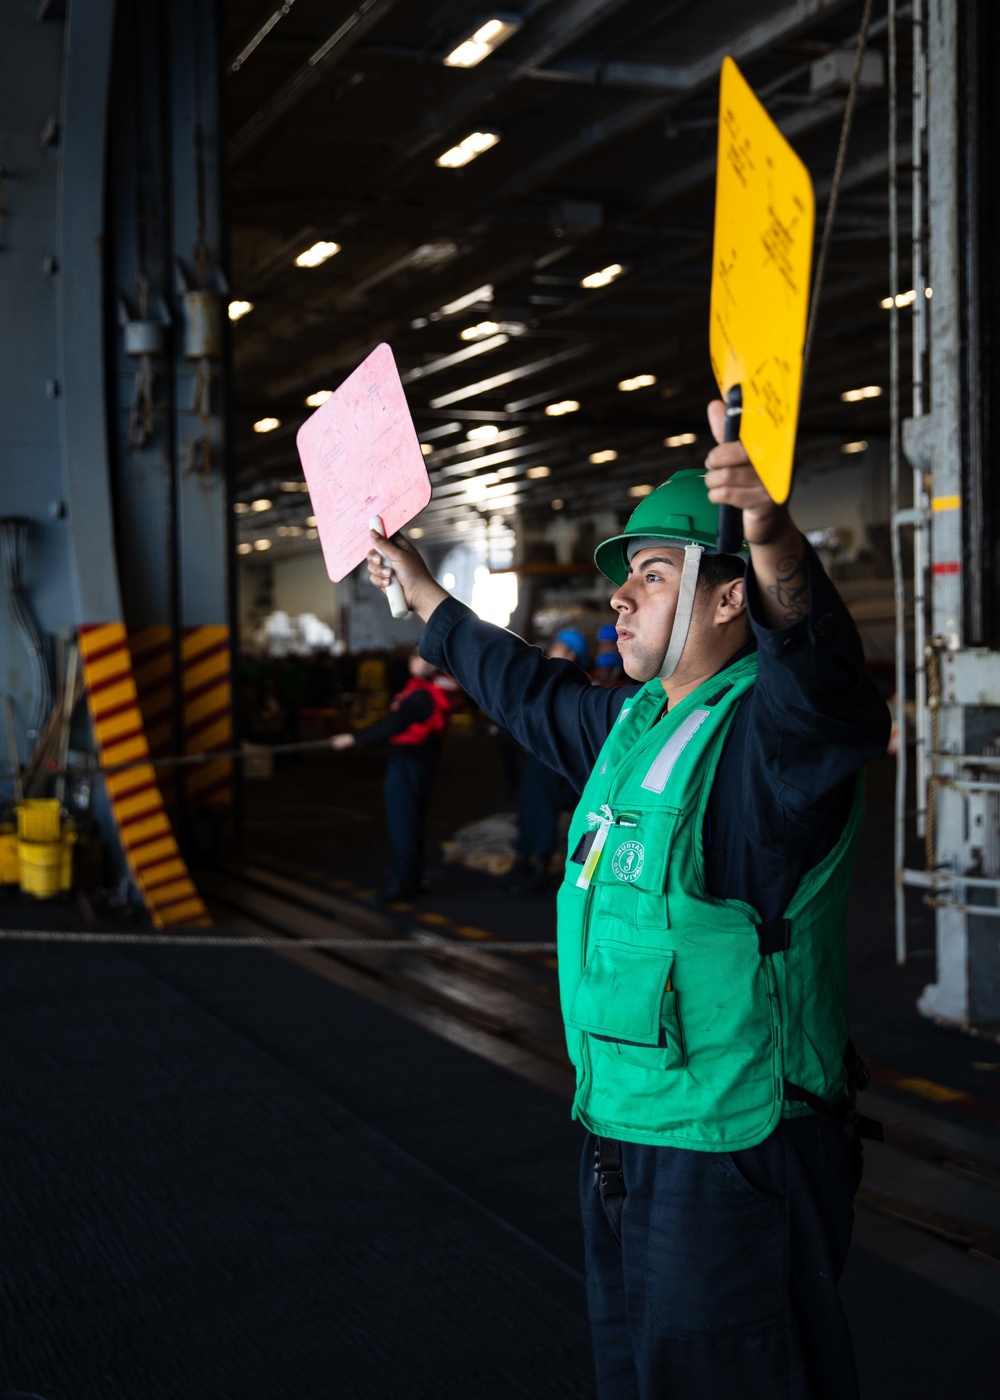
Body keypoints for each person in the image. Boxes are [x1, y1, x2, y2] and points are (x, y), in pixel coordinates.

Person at [365, 399, 889, 1400]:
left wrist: (774, 536)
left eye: (653, 574)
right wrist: (428, 595)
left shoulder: (773, 746)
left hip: (734, 1149)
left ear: (730, 597)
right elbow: (520, 686)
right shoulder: (632, 725)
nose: (622, 597)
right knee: (642, 1377)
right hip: (625, 1133)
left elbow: (823, 678)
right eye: (624, 578)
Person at [332, 647, 451, 902]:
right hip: (417, 761)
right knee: (411, 822)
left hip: (409, 762)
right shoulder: (422, 690)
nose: (411, 659)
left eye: (418, 655)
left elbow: (395, 724)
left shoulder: (421, 695)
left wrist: (354, 738)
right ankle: (413, 878)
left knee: (403, 823)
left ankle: (402, 882)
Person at [504, 630, 590, 893]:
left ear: (572, 654)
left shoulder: (577, 685)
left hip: (555, 759)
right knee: (528, 805)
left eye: (558, 647)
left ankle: (540, 866)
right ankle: (523, 859)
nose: (551, 650)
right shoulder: (554, 680)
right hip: (537, 755)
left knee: (544, 809)